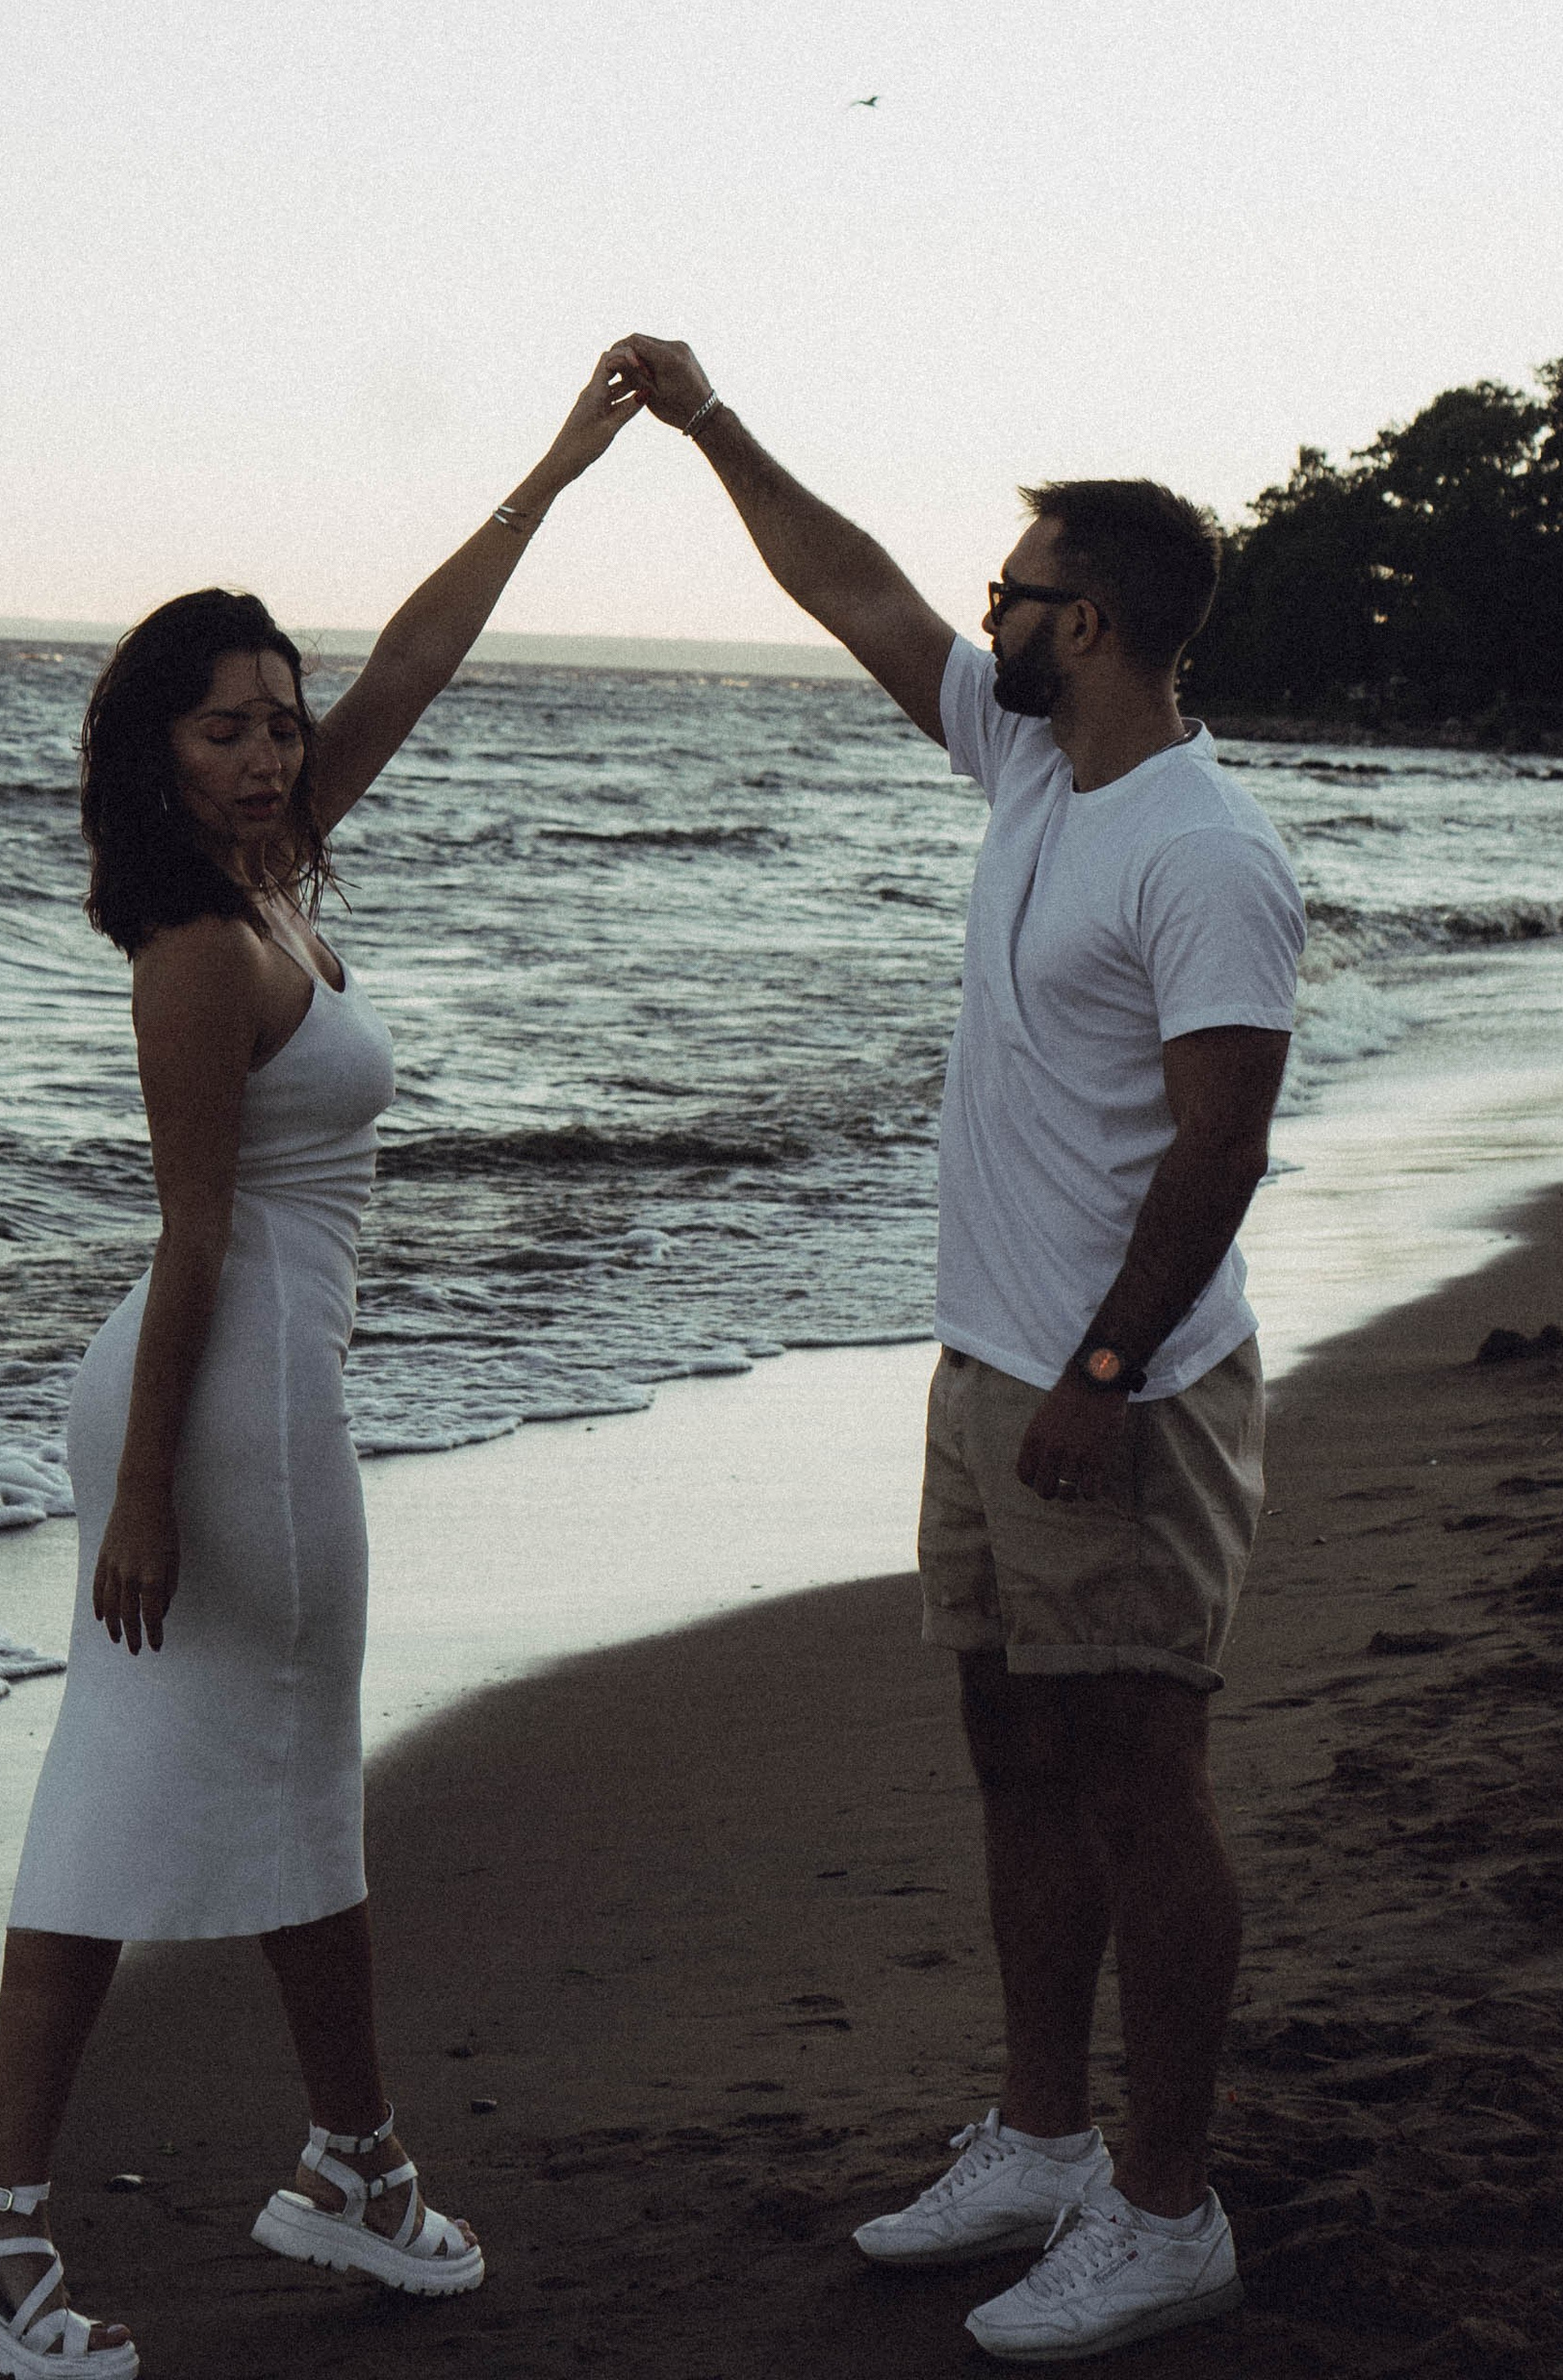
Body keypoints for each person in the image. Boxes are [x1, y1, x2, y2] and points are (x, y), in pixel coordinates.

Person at [0, 353, 640, 2377]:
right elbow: (194, 1231)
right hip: (217, 1403)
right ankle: (0, 2222)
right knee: (139, 1787)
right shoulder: (198, 953)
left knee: (289, 1773)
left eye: (279, 722)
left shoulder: (272, 875)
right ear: (152, 750)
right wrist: (143, 1494)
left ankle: (347, 2163)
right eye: (227, 727)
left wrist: (553, 472)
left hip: (252, 1389)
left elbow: (413, 660)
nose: (269, 749)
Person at [615, 334, 1303, 2366]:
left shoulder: (1202, 850)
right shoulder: (1029, 768)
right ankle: (1031, 2139)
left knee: (1137, 1781)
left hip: (1126, 1391)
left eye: (1007, 591)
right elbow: (846, 591)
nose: (975, 612)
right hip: (989, 1369)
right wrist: (710, 424)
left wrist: (1098, 1382)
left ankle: (1162, 2211)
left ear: (1080, 622)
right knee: (1016, 1763)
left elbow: (1222, 1145)